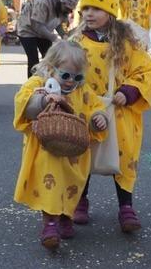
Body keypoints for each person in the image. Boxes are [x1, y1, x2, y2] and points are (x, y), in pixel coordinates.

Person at [70, 0, 151, 233]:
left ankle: (126, 206)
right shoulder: (76, 42)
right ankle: (80, 201)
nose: (89, 13)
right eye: (85, 7)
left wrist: (130, 91)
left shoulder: (127, 41)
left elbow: (145, 70)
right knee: (83, 153)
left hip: (120, 110)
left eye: (96, 8)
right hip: (86, 109)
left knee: (124, 157)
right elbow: (62, 68)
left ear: (110, 10)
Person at [13, 40, 108, 250]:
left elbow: (95, 106)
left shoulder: (82, 91)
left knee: (72, 184)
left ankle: (67, 217)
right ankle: (49, 224)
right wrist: (43, 101)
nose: (70, 81)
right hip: (47, 151)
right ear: (50, 67)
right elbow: (24, 104)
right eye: (65, 75)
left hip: (75, 152)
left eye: (77, 77)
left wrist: (98, 118)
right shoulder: (37, 84)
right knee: (51, 184)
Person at [17, 0, 80, 77]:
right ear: (61, 1)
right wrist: (55, 39)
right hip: (27, 29)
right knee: (34, 60)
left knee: (50, 59)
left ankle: (47, 83)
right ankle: (31, 86)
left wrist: (64, 35)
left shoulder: (63, 7)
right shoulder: (45, 1)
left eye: (70, 9)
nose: (68, 11)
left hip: (44, 28)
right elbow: (37, 25)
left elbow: (58, 23)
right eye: (67, 8)